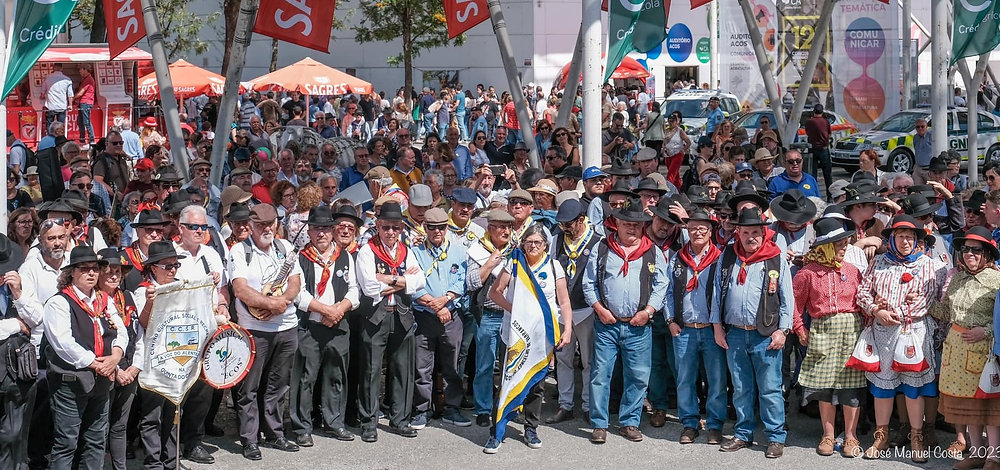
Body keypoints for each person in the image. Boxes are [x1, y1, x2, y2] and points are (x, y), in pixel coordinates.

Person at [856, 215, 947, 462]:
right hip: (883, 333)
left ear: (917, 240)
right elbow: (863, 293)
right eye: (900, 236)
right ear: (892, 239)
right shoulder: (878, 262)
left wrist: (894, 310)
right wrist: (877, 310)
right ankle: (881, 436)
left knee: (913, 387)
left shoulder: (929, 265)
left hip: (914, 332)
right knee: (884, 389)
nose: (905, 241)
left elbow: (926, 301)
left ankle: (917, 437)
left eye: (910, 237)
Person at [711, 207, 794, 458]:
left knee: (769, 388)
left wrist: (783, 330)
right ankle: (743, 433)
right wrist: (717, 326)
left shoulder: (776, 258)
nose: (751, 237)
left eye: (755, 232)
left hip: (765, 334)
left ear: (763, 233)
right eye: (745, 232)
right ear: (738, 232)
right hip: (735, 333)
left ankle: (775, 437)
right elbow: (716, 293)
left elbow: (787, 299)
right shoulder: (727, 256)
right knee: (741, 387)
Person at [482, 224, 573, 453]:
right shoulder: (513, 263)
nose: (533, 246)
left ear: (545, 245)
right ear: (523, 243)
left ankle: (531, 428)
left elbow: (563, 302)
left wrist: (568, 328)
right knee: (507, 382)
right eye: (529, 241)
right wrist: (515, 310)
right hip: (515, 336)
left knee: (536, 385)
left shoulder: (554, 266)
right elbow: (494, 292)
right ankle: (497, 431)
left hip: (542, 338)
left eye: (538, 242)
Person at [585, 199, 668, 444]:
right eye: (627, 224)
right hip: (607, 323)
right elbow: (589, 283)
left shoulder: (652, 251)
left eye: (637, 225)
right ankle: (599, 423)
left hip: (639, 325)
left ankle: (630, 422)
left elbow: (661, 285)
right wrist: (599, 309)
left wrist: (649, 311)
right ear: (617, 223)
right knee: (601, 374)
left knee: (638, 375)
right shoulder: (602, 248)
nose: (632, 229)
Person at [229, 204, 303, 460]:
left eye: (271, 224)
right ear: (250, 226)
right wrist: (270, 303)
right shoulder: (239, 251)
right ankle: (249, 439)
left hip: (286, 326)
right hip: (254, 328)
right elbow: (240, 290)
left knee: (278, 385)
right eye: (261, 225)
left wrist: (283, 302)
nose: (267, 229)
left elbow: (295, 280)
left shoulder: (286, 248)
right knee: (249, 387)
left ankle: (274, 433)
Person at [43, 246, 127, 470]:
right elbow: (63, 342)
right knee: (66, 443)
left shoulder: (104, 301)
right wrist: (96, 363)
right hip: (71, 382)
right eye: (84, 269)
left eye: (95, 269)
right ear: (71, 272)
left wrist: (116, 355)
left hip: (102, 381)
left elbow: (121, 330)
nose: (91, 273)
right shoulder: (59, 302)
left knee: (96, 441)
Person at [792, 217, 867, 458]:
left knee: (851, 386)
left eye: (845, 243)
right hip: (823, 330)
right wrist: (799, 329)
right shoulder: (808, 274)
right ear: (825, 247)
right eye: (840, 244)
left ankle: (851, 435)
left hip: (851, 331)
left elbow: (863, 302)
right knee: (825, 387)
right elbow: (794, 305)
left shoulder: (852, 271)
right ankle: (828, 434)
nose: (845, 248)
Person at [289, 206, 361, 446]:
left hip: (338, 324)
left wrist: (339, 310)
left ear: (333, 231)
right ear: (309, 231)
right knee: (306, 378)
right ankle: (302, 427)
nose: (321, 233)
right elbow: (298, 294)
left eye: (326, 229)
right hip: (310, 325)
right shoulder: (300, 257)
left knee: (336, 375)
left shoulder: (344, 256)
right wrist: (325, 310)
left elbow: (354, 290)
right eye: (316, 229)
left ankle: (334, 422)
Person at [355, 201, 426, 442]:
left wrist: (388, 278)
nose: (391, 232)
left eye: (396, 227)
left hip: (402, 314)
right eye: (386, 227)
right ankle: (369, 422)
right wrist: (403, 279)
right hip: (376, 315)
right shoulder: (367, 251)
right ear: (377, 225)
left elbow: (420, 282)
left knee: (402, 369)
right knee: (371, 370)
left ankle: (400, 419)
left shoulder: (407, 250)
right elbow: (369, 286)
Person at [931, 227, 1000, 470]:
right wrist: (922, 299)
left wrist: (987, 331)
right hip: (956, 352)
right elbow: (946, 313)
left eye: (976, 250)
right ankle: (977, 453)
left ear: (987, 254)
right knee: (968, 408)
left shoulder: (997, 280)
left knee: (988, 407)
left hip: (984, 351)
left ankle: (994, 457)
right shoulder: (958, 277)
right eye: (965, 249)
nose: (969, 253)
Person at [663, 209, 726, 445]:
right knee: (685, 379)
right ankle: (689, 423)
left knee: (716, 380)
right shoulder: (677, 258)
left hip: (711, 329)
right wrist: (670, 320)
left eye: (702, 228)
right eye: (693, 228)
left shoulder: (720, 258)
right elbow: (668, 292)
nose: (697, 232)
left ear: (710, 232)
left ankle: (715, 424)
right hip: (684, 328)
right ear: (686, 231)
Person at [411, 208, 471, 428]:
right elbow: (414, 285)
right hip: (425, 316)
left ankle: (451, 408)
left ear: (447, 228)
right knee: (422, 366)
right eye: (431, 227)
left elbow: (461, 282)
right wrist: (436, 307)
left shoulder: (458, 251)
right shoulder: (415, 251)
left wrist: (446, 300)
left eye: (441, 227)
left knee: (451, 365)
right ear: (424, 227)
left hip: (452, 315)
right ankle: (421, 410)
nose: (437, 231)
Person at [131, 242, 188, 469]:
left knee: (174, 411)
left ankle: (171, 459)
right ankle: (153, 462)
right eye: (168, 266)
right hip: (153, 360)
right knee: (153, 415)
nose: (173, 270)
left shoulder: (181, 287)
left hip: (177, 357)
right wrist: (150, 301)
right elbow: (144, 324)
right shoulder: (142, 289)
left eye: (176, 265)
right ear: (153, 268)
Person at [547, 199, 601, 424]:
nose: (564, 229)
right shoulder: (557, 240)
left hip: (587, 309)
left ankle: (588, 406)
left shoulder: (598, 240)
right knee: (563, 359)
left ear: (581, 220)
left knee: (589, 361)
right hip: (562, 309)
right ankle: (565, 404)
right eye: (561, 225)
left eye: (568, 224)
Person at [467, 209, 516, 426]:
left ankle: (509, 405)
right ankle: (484, 409)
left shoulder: (518, 249)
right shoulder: (477, 249)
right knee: (485, 365)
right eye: (501, 227)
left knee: (511, 364)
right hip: (487, 315)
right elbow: (471, 283)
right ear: (490, 229)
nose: (506, 231)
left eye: (509, 227)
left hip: (511, 314)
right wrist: (489, 264)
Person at [804, 104, 832, 193]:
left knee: (812, 174)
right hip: (824, 148)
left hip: (813, 148)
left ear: (814, 112)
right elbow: (829, 133)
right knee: (827, 174)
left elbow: (807, 132)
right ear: (822, 112)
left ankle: (814, 193)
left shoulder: (809, 121)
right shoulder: (826, 121)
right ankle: (830, 195)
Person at [41, 63, 73, 131]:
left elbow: (42, 92)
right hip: (62, 106)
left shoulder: (48, 78)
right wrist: (70, 105)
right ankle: (60, 139)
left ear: (53, 68)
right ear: (61, 69)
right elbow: (70, 94)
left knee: (50, 125)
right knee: (60, 126)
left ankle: (50, 140)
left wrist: (42, 96)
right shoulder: (67, 79)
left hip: (51, 106)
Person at [73, 65, 97, 145]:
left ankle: (91, 139)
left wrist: (72, 98)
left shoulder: (88, 80)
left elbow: (81, 92)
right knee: (80, 121)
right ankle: (82, 139)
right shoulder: (86, 79)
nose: (79, 71)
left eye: (80, 69)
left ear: (85, 69)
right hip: (83, 102)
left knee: (86, 122)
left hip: (86, 102)